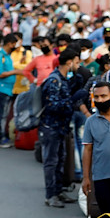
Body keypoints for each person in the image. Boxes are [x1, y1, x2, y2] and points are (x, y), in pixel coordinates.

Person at [39, 49, 80, 208]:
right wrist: (71, 101)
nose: (78, 65)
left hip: (61, 127)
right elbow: (51, 105)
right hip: (51, 127)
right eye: (76, 62)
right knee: (51, 161)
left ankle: (58, 190)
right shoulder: (54, 81)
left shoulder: (63, 79)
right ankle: (50, 195)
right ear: (69, 62)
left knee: (60, 160)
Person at [81, 82, 110, 216]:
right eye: (97, 97)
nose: (100, 100)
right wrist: (86, 178)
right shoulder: (91, 121)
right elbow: (87, 150)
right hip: (101, 176)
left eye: (103, 96)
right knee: (106, 217)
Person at [0, 33, 25, 147]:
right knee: (1, 115)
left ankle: (2, 135)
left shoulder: (7, 56)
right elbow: (0, 73)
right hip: (2, 89)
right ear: (9, 44)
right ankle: (0, 137)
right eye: (15, 43)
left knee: (4, 114)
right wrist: (16, 72)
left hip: (8, 89)